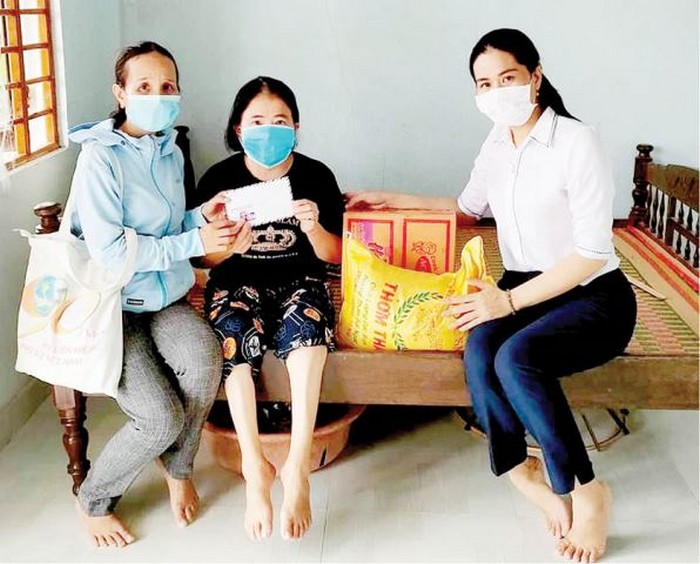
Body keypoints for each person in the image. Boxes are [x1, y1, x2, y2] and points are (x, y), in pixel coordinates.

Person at [346, 28, 636, 563]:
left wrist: (506, 302)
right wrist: (390, 199)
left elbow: (591, 254)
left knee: (516, 357)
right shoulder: (498, 143)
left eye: (508, 78)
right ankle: (521, 470)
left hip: (593, 294)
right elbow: (465, 210)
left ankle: (588, 491)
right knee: (479, 347)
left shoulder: (577, 141)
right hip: (526, 285)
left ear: (535, 77)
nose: (497, 91)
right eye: (484, 84)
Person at [68, 41, 244, 547]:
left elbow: (167, 226)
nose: (157, 96)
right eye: (143, 86)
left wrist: (199, 216)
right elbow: (110, 252)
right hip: (113, 306)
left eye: (167, 87)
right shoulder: (99, 158)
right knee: (159, 417)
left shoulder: (169, 148)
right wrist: (196, 242)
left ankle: (178, 468)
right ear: (120, 93)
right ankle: (92, 500)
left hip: (164, 298)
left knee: (206, 358)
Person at [194, 76, 344, 541]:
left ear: (296, 128)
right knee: (232, 337)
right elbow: (202, 260)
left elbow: (337, 256)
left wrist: (314, 228)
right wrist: (227, 245)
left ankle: (296, 464)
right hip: (236, 285)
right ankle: (254, 465)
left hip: (301, 282)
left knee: (307, 335)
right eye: (257, 121)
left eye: (280, 121)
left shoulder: (316, 177)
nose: (269, 130)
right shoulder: (219, 181)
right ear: (239, 129)